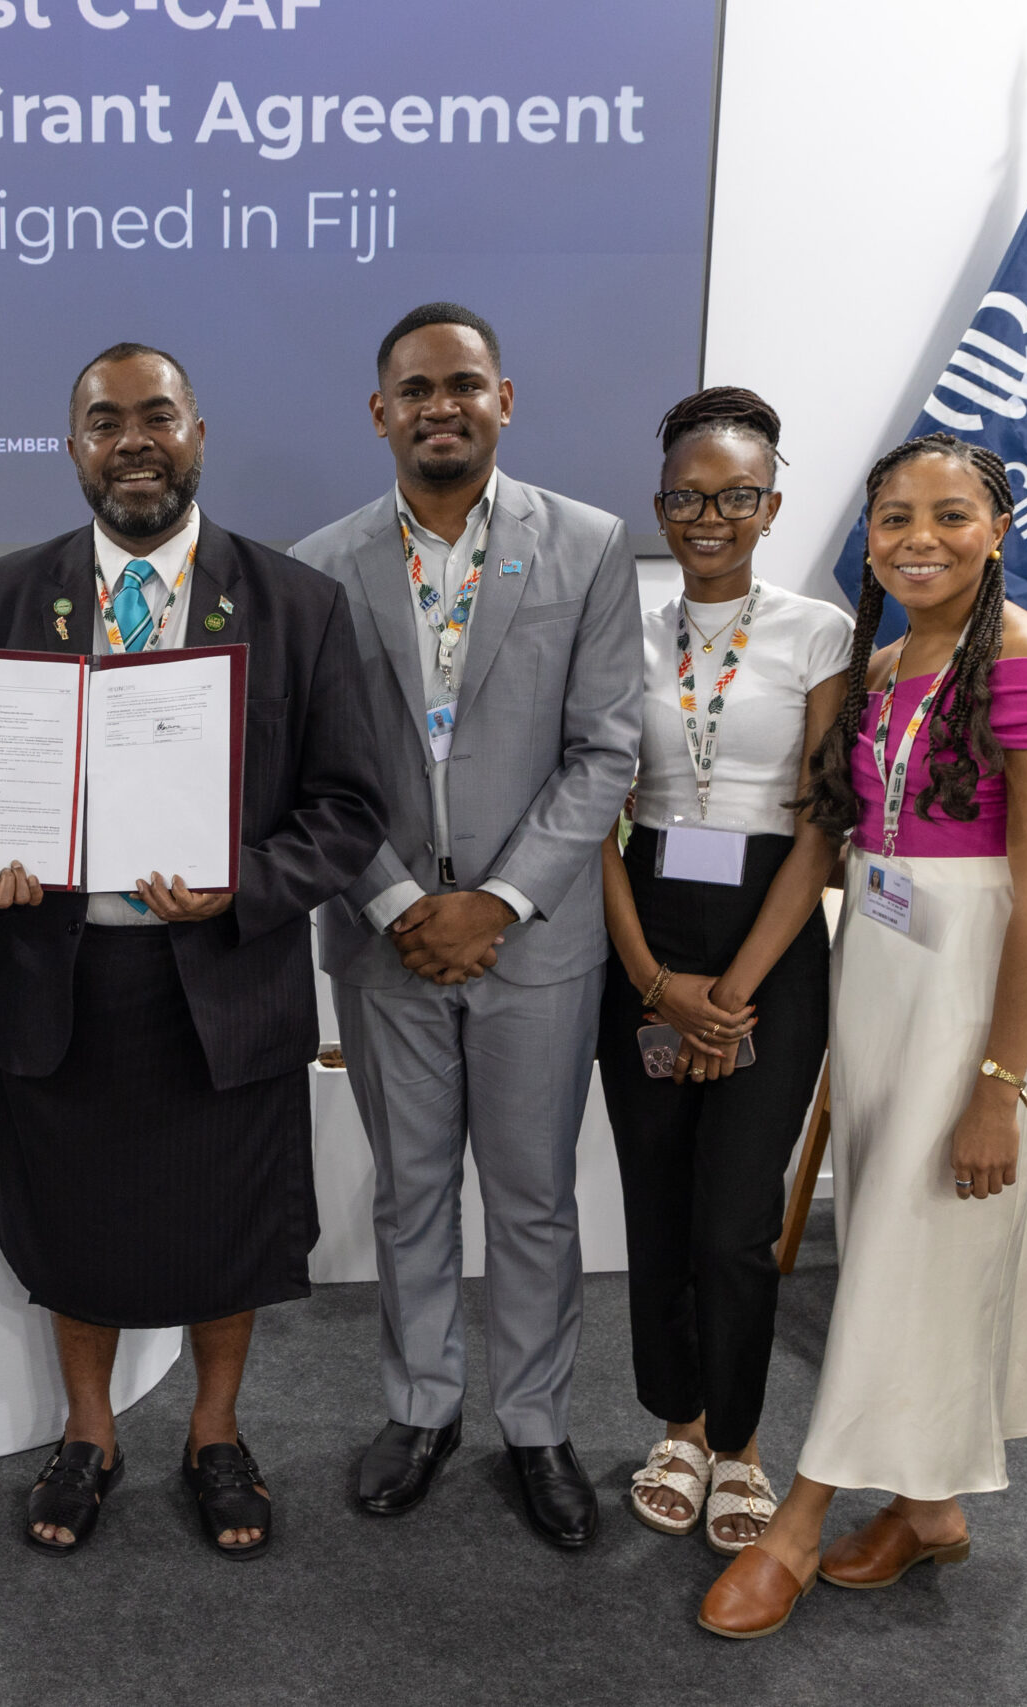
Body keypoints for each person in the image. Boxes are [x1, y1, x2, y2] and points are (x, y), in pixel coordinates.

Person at [0, 342, 382, 1559]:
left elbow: (348, 811)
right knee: (73, 1223)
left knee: (227, 1225)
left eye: (156, 418)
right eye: (105, 421)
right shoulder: (0, 597)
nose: (132, 440)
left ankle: (214, 1432)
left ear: (199, 433)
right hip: (62, 974)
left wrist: (241, 886)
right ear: (73, 445)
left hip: (223, 976)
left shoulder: (296, 605)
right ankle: (88, 1433)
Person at [697, 433, 1027, 1638]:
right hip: (876, 959)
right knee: (895, 1229)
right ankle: (928, 1508)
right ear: (864, 538)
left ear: (1000, 529)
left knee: (904, 1244)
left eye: (951, 514)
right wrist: (740, 981)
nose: (919, 537)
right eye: (893, 518)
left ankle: (801, 1523)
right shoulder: (876, 668)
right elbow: (834, 839)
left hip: (973, 978)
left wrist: (998, 1086)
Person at [292, 303, 640, 1548]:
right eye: (415, 388)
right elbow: (310, 767)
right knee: (411, 1191)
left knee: (536, 1198)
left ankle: (536, 1424)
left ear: (505, 399)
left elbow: (607, 749)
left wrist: (494, 901)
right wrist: (394, 900)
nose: (441, 404)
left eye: (464, 384)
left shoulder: (590, 545)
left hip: (534, 939)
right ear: (379, 411)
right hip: (383, 937)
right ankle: (423, 1406)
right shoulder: (319, 564)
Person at [594, 388, 850, 1555]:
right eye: (689, 498)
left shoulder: (816, 634)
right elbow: (594, 822)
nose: (710, 516)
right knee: (656, 1201)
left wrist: (734, 989)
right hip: (644, 926)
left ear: (770, 505)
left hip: (771, 941)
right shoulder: (620, 632)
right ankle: (681, 1426)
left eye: (735, 496)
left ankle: (744, 1441)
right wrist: (653, 982)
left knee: (736, 1219)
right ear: (659, 508)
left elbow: (820, 825)